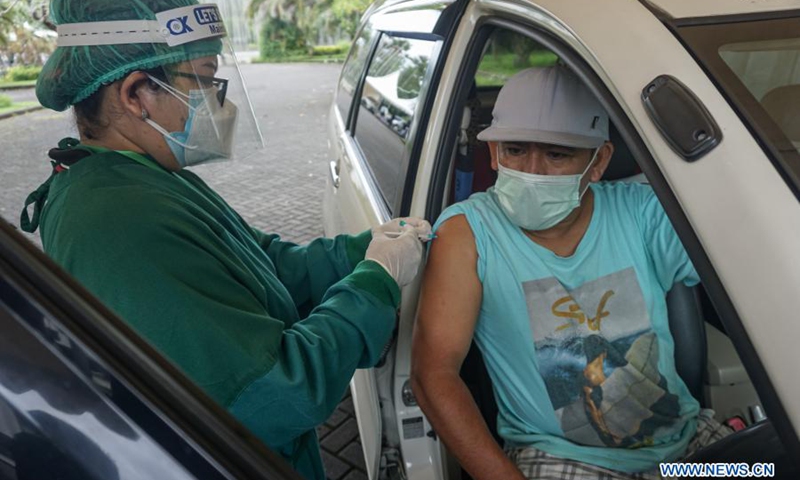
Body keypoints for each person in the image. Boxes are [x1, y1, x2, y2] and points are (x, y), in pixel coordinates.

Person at [19, 1, 431, 479]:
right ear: (136, 94)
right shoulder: (116, 223)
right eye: (206, 79)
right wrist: (374, 284)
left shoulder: (145, 174)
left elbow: (264, 264)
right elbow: (274, 394)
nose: (222, 101)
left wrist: (363, 249)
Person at [411, 66, 731, 479]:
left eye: (557, 154)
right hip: (564, 460)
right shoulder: (468, 234)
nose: (533, 171)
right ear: (492, 154)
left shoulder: (644, 214)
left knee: (766, 466)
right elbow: (433, 373)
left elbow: (753, 276)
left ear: (598, 161)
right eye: (514, 150)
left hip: (687, 450)